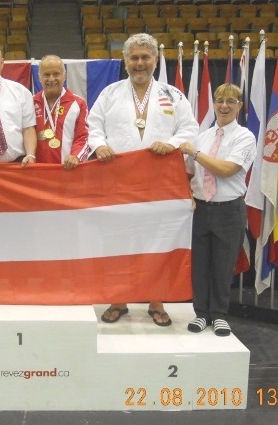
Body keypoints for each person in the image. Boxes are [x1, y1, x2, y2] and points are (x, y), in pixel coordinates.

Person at [87, 33, 198, 326]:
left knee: (157, 241)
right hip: (118, 180)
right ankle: (118, 299)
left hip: (158, 182)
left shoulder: (173, 95)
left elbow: (189, 129)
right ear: (125, 61)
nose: (139, 63)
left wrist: (171, 144)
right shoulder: (109, 93)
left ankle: (156, 300)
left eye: (145, 57)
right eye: (134, 58)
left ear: (155, 60)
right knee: (118, 240)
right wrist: (99, 145)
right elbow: (93, 126)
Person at [179, 84, 256, 336]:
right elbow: (187, 173)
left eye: (231, 101)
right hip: (200, 209)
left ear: (239, 106)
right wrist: (187, 194)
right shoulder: (202, 136)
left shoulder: (245, 137)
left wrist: (195, 152)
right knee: (200, 264)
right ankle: (201, 313)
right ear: (213, 103)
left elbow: (226, 170)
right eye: (219, 100)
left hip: (229, 210)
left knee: (223, 265)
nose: (224, 106)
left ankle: (220, 315)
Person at [33, 55, 90, 168]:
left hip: (67, 170)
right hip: (37, 171)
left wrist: (76, 156)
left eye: (56, 74)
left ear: (64, 76)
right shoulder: (30, 103)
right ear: (39, 77)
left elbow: (83, 137)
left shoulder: (78, 104)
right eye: (46, 75)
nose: (51, 79)